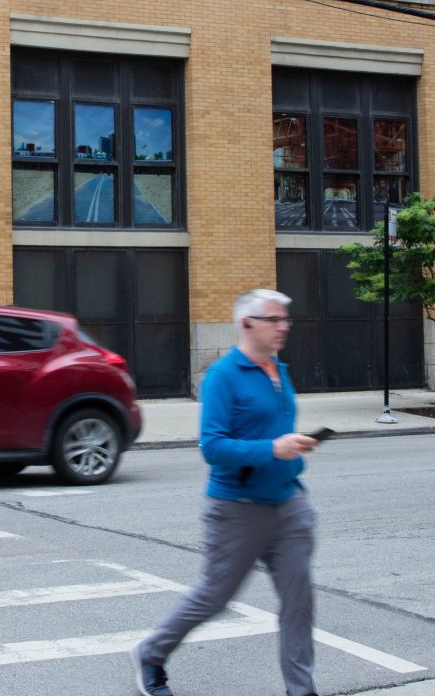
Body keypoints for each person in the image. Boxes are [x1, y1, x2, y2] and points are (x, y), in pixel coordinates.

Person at [131, 288, 321, 696]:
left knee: (299, 603)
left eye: (286, 319)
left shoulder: (279, 371)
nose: (283, 327)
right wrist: (273, 449)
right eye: (273, 319)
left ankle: (300, 689)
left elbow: (273, 431)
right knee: (214, 597)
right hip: (238, 509)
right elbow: (212, 447)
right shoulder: (223, 376)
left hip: (289, 505)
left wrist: (295, 447)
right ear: (246, 323)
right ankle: (151, 653)